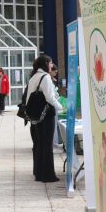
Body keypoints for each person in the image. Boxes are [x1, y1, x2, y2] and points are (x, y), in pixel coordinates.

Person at [25, 55, 65, 183]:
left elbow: (27, 98)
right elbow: (50, 98)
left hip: (36, 116)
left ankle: (39, 173)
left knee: (39, 144)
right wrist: (61, 108)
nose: (52, 65)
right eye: (51, 63)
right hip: (46, 115)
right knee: (47, 145)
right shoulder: (46, 77)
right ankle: (48, 175)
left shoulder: (34, 77)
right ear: (46, 63)